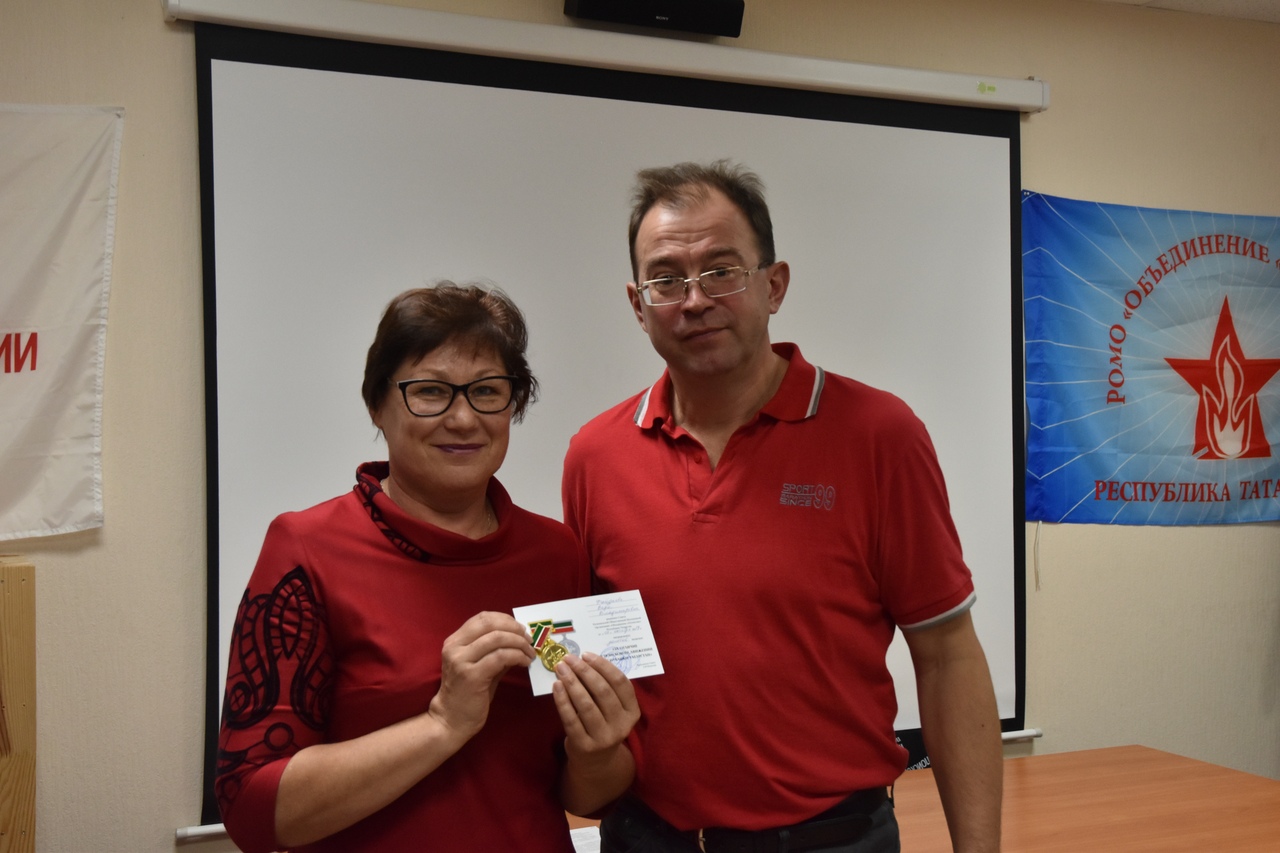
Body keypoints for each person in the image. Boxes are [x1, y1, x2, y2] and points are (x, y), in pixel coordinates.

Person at [562, 161, 1003, 852]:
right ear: (637, 304)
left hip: (830, 840)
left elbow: (947, 657)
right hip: (646, 837)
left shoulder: (878, 435)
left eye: (721, 271)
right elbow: (587, 663)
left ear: (774, 285)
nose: (694, 299)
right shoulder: (594, 456)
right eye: (666, 279)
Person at [217, 283, 640, 853]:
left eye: (487, 391)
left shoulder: (557, 553)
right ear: (377, 405)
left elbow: (589, 798)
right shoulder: (307, 549)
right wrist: (442, 723)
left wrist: (598, 752)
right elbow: (250, 809)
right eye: (431, 392)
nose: (463, 419)